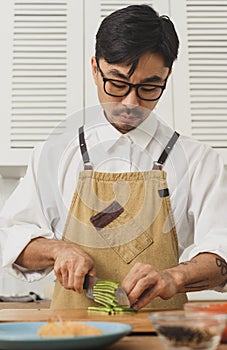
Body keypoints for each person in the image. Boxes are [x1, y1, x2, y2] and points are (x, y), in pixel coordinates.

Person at [1, 4, 227, 310]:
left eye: (149, 87)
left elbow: (221, 254)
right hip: (73, 332)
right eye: (117, 83)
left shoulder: (200, 161)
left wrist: (174, 277)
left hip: (163, 335)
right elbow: (11, 237)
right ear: (95, 69)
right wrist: (58, 251)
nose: (131, 102)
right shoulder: (53, 155)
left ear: (167, 77)